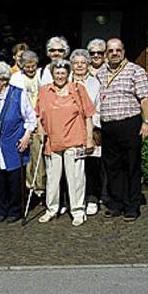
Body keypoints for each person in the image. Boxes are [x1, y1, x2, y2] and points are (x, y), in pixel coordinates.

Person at [37, 59, 95, 226]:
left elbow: (88, 115)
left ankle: (77, 210)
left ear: (68, 74)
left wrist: (89, 139)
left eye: (63, 73)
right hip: (52, 141)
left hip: (74, 140)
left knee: (75, 178)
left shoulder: (78, 89)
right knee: (52, 179)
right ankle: (52, 209)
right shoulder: (44, 91)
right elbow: (38, 115)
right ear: (52, 74)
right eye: (57, 73)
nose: (60, 76)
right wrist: (40, 130)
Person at [96, 38, 148, 221]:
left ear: (124, 51)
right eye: (110, 51)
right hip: (108, 127)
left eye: (118, 50)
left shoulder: (136, 71)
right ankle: (116, 203)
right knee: (112, 167)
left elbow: (144, 99)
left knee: (131, 166)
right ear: (106, 54)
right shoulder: (100, 73)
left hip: (129, 124)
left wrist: (147, 123)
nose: (114, 53)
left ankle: (132, 206)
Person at [0, 62, 36, 223]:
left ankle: (15, 209)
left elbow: (31, 119)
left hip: (13, 142)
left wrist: (26, 136)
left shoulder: (18, 94)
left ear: (4, 80)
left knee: (14, 179)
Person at [70, 49, 103, 216]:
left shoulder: (95, 83)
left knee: (90, 166)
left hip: (90, 128)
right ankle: (73, 200)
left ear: (88, 64)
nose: (80, 66)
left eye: (83, 62)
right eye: (76, 63)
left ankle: (91, 197)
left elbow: (98, 107)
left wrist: (91, 125)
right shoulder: (64, 82)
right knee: (71, 167)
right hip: (69, 130)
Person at [9, 50, 45, 198]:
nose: (30, 70)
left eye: (33, 66)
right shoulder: (16, 78)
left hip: (39, 121)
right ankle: (28, 185)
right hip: (24, 123)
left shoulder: (42, 75)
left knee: (39, 156)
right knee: (26, 157)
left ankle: (40, 187)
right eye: (27, 67)